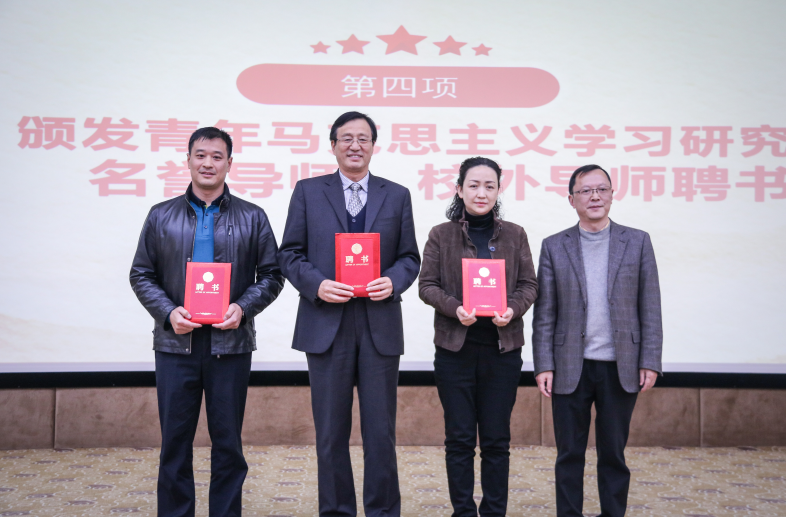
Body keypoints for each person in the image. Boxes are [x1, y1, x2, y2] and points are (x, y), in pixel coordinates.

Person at [130, 127, 285, 517]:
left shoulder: (253, 216)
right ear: (187, 161)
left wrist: (242, 308)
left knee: (228, 445)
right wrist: (168, 313)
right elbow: (141, 274)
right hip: (175, 344)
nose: (208, 163)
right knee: (175, 444)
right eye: (200, 155)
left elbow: (272, 275)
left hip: (229, 344)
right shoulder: (161, 215)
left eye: (217, 156)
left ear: (229, 163)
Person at [277, 111, 420, 517]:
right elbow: (289, 253)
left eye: (363, 138)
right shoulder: (308, 191)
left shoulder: (397, 195)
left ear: (374, 145)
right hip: (326, 323)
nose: (355, 145)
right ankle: (336, 511)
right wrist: (317, 284)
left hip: (379, 325)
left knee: (380, 433)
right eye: (347, 138)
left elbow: (410, 257)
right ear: (333, 145)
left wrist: (393, 280)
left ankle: (382, 512)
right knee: (330, 434)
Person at [532, 164, 662, 517]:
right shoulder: (554, 245)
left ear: (612, 195)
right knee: (569, 454)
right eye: (586, 191)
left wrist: (650, 359)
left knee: (613, 454)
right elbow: (545, 312)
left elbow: (650, 304)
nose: (595, 197)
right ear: (571, 199)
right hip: (569, 365)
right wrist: (544, 364)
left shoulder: (637, 241)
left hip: (621, 365)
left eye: (602, 189)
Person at [419, 157, 539, 517]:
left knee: (496, 440)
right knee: (458, 439)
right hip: (454, 350)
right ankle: (463, 512)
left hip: (502, 350)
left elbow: (529, 285)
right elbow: (427, 285)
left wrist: (512, 309)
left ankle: (493, 512)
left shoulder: (515, 234)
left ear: (499, 190)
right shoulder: (441, 235)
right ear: (459, 190)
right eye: (473, 185)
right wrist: (455, 308)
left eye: (489, 185)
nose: (481, 193)